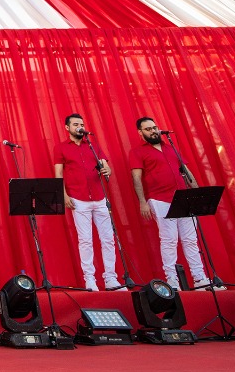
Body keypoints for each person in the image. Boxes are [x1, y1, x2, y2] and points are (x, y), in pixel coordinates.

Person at [129, 116, 213, 290]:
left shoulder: (171, 148)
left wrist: (196, 193)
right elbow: (136, 178)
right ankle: (172, 280)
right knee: (169, 240)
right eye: (148, 129)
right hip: (160, 199)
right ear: (141, 133)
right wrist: (142, 202)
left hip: (183, 198)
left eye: (155, 127)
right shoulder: (138, 152)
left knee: (190, 240)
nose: (153, 131)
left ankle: (200, 278)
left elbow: (185, 170)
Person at [52, 113, 119, 291]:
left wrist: (107, 170)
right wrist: (63, 195)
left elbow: (107, 166)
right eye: (75, 124)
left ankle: (111, 278)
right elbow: (58, 173)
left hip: (99, 196)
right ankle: (90, 279)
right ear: (67, 128)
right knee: (86, 240)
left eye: (81, 124)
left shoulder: (93, 145)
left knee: (108, 239)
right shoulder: (61, 148)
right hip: (78, 198)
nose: (79, 127)